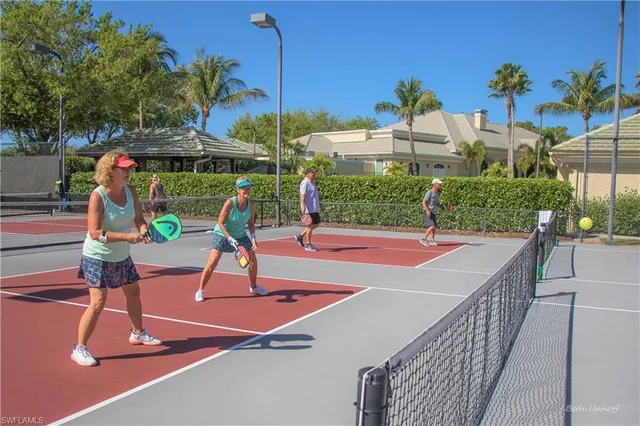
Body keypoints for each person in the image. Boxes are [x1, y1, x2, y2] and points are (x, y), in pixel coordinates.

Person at [72, 150, 162, 367]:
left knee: (134, 292)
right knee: (98, 302)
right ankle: (79, 348)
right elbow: (95, 232)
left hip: (122, 255)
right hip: (97, 256)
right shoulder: (97, 196)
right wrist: (127, 236)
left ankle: (137, 333)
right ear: (110, 170)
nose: (129, 171)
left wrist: (144, 231)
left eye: (130, 167)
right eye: (124, 168)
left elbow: (139, 219)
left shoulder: (131, 191)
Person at [195, 176, 268, 302]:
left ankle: (253, 287)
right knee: (212, 263)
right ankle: (200, 290)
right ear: (237, 190)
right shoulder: (230, 202)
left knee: (253, 260)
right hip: (222, 234)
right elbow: (221, 222)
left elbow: (250, 224)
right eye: (244, 188)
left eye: (249, 187)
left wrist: (253, 238)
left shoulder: (251, 204)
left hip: (240, 235)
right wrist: (229, 238)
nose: (247, 190)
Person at [295, 167, 322, 252]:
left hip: (314, 208)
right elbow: (302, 195)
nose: (315, 174)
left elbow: (314, 196)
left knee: (316, 224)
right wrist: (302, 205)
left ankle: (300, 236)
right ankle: (308, 244)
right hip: (308, 209)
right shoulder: (305, 182)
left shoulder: (312, 183)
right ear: (308, 174)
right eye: (313, 173)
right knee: (310, 226)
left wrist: (320, 205)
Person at [420, 178, 445, 246]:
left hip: (433, 212)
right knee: (432, 226)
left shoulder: (437, 193)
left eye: (440, 184)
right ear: (434, 184)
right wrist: (427, 210)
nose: (440, 185)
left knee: (434, 227)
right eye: (439, 184)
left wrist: (441, 207)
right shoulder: (429, 192)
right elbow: (423, 202)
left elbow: (436, 203)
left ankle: (432, 240)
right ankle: (424, 239)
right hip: (427, 211)